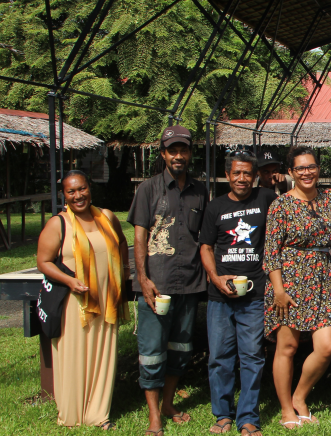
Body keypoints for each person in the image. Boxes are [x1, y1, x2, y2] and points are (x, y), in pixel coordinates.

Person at [128, 125, 207, 436]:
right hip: (156, 285)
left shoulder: (200, 191)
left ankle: (168, 403)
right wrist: (143, 279)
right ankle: (154, 417)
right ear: (162, 154)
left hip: (189, 283)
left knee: (181, 348)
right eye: (172, 150)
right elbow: (139, 237)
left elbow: (204, 236)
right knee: (151, 350)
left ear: (189, 153)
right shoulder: (147, 189)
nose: (178, 155)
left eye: (183, 150)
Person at [35, 170, 128, 429]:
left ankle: (98, 414)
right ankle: (72, 415)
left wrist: (124, 273)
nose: (78, 195)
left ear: (90, 188)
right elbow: (43, 262)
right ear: (64, 195)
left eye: (82, 189)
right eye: (71, 191)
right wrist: (69, 281)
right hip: (74, 303)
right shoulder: (59, 223)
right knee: (74, 356)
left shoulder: (107, 217)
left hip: (107, 299)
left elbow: (121, 243)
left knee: (103, 356)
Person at [263, 146, 331, 429]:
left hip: (321, 277)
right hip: (290, 279)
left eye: (311, 167)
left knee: (326, 346)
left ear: (318, 169)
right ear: (291, 172)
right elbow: (271, 252)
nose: (307, 172)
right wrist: (279, 290)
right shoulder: (281, 205)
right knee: (287, 346)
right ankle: (286, 409)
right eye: (300, 168)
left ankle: (299, 396)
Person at [199, 152, 278, 436]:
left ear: (255, 175)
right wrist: (216, 279)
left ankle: (248, 418)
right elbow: (206, 246)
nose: (241, 178)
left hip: (254, 293)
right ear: (227, 175)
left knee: (252, 356)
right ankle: (222, 414)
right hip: (220, 295)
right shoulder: (215, 207)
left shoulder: (266, 198)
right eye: (236, 173)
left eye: (247, 173)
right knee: (219, 356)